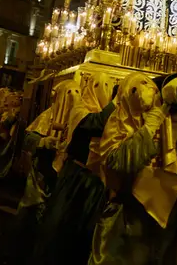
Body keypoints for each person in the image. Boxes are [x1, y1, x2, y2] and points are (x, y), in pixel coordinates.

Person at [88, 72, 177, 264]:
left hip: (170, 211)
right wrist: (148, 129)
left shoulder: (174, 117)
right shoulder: (122, 121)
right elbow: (117, 162)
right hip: (127, 214)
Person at [32, 73, 117, 265]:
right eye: (98, 85)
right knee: (62, 223)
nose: (102, 90)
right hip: (76, 178)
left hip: (94, 183)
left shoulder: (108, 114)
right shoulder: (81, 108)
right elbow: (93, 124)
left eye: (107, 85)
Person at [11, 80, 89, 264]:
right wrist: (43, 142)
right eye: (69, 92)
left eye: (77, 92)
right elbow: (29, 136)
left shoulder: (80, 116)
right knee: (33, 207)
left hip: (62, 174)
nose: (74, 96)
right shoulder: (49, 115)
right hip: (41, 171)